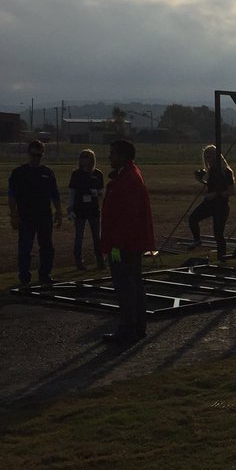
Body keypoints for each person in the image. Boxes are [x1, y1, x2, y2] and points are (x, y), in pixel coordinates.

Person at [100, 138, 155, 345]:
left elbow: (126, 216)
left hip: (124, 244)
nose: (109, 157)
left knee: (125, 287)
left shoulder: (129, 178)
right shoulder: (129, 175)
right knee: (134, 284)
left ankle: (128, 329)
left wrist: (116, 245)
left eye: (113, 153)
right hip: (129, 242)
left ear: (123, 156)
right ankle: (137, 326)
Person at [8, 140, 63, 287]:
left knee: (46, 247)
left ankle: (45, 274)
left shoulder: (47, 173)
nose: (36, 158)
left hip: (44, 216)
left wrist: (58, 211)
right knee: (25, 248)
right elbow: (12, 195)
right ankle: (24, 277)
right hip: (26, 217)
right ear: (28, 154)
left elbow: (54, 194)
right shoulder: (19, 173)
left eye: (39, 155)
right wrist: (13, 215)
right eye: (33, 155)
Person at [187, 145, 235, 261]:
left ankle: (222, 259)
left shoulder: (226, 171)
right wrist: (201, 181)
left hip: (221, 205)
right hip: (209, 203)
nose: (209, 159)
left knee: (218, 234)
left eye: (211, 155)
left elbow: (230, 191)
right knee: (192, 219)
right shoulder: (212, 170)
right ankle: (197, 239)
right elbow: (213, 186)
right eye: (207, 156)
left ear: (217, 155)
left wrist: (216, 195)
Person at [67, 149, 105, 271]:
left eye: (87, 157)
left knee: (96, 236)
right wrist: (70, 208)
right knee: (79, 236)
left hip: (93, 209)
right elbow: (72, 192)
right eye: (82, 157)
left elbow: (101, 191)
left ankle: (100, 261)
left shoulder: (98, 174)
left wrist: (96, 193)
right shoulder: (76, 174)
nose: (84, 159)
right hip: (80, 209)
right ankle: (79, 261)